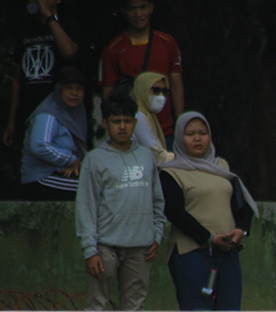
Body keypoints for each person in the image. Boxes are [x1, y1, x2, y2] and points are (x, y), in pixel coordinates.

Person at [160, 112, 260, 312]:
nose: (197, 139)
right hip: (193, 254)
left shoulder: (221, 167)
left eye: (202, 132)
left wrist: (240, 231)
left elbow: (242, 205)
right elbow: (175, 212)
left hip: (226, 253)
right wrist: (208, 237)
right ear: (180, 137)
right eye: (190, 133)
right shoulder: (171, 171)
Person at [75, 93, 164, 312]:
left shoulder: (146, 157)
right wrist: (91, 248)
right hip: (106, 248)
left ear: (135, 122)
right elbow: (85, 207)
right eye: (117, 121)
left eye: (128, 121)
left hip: (140, 249)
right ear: (105, 124)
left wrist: (157, 234)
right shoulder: (95, 159)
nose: (123, 127)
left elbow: (157, 202)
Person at [99, 0, 184, 145]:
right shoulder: (114, 48)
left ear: (151, 8)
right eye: (132, 9)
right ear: (124, 11)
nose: (138, 14)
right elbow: (108, 93)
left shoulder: (167, 42)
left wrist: (180, 124)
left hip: (165, 131)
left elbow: (176, 85)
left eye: (143, 7)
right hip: (130, 134)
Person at [3, 0, 80, 151]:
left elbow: (69, 52)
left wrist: (50, 17)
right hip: (28, 111)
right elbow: (17, 80)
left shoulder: (68, 27)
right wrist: (11, 121)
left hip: (58, 113)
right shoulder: (25, 32)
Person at [21, 65, 88, 200]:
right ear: (59, 90)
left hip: (60, 173)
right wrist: (70, 159)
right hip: (41, 177)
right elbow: (39, 146)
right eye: (69, 88)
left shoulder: (76, 111)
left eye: (78, 89)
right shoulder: (48, 114)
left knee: (96, 185)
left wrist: (74, 165)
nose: (74, 93)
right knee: (91, 189)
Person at [130, 71, 174, 166]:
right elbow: (157, 156)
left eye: (164, 92)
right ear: (142, 90)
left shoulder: (148, 115)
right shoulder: (138, 116)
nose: (161, 96)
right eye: (156, 90)